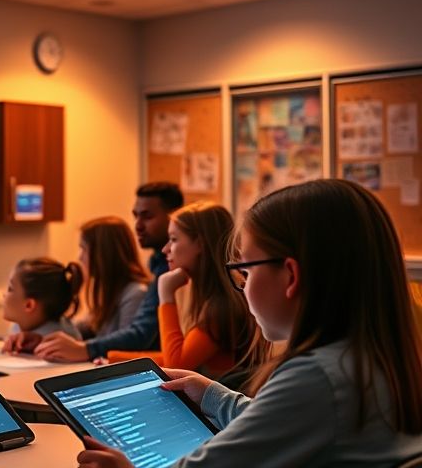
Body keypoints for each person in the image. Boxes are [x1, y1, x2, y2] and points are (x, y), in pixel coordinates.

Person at [76, 179, 422, 467]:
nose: (242, 285)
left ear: (289, 276)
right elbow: (276, 420)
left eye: (245, 270)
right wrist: (211, 394)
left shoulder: (317, 377)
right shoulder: (371, 357)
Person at [34, 182, 184, 362]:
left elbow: (138, 337)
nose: (137, 225)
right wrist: (41, 339)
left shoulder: (152, 282)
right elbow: (86, 330)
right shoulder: (155, 266)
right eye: (135, 216)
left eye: (148, 216)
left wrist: (87, 350)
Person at [107, 202, 255, 378]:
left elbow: (176, 363)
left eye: (174, 239)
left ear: (200, 244)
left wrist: (166, 296)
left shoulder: (222, 306)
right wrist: (112, 359)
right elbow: (179, 355)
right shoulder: (214, 297)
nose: (165, 249)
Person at [75, 216, 150, 339]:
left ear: (103, 253)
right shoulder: (111, 291)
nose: (80, 257)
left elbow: (126, 346)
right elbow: (82, 329)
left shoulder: (135, 294)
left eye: (83, 249)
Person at [1, 257, 83, 353]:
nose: (4, 295)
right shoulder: (18, 326)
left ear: (29, 305)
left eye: (10, 289)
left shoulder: (62, 339)